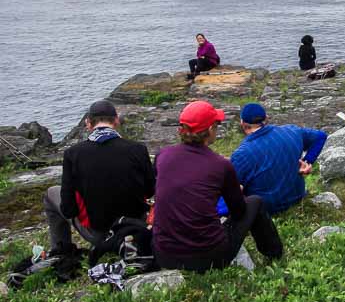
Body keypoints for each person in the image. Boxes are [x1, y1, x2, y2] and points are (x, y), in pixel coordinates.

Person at [152, 101, 283, 272]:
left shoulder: (163, 156)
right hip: (209, 257)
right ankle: (274, 254)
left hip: (164, 255)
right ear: (210, 130)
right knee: (255, 202)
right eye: (216, 125)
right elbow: (238, 211)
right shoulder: (220, 165)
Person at [43, 100, 154, 254]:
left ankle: (61, 250)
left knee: (51, 194)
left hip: (100, 234)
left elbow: (68, 210)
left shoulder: (73, 154)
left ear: (88, 123)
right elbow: (150, 191)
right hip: (134, 228)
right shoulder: (138, 149)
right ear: (116, 121)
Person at [230, 103, 328, 214]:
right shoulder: (292, 131)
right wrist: (307, 161)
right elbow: (321, 136)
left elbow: (232, 190)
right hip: (297, 197)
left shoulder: (241, 154)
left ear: (242, 123)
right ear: (266, 118)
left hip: (266, 208)